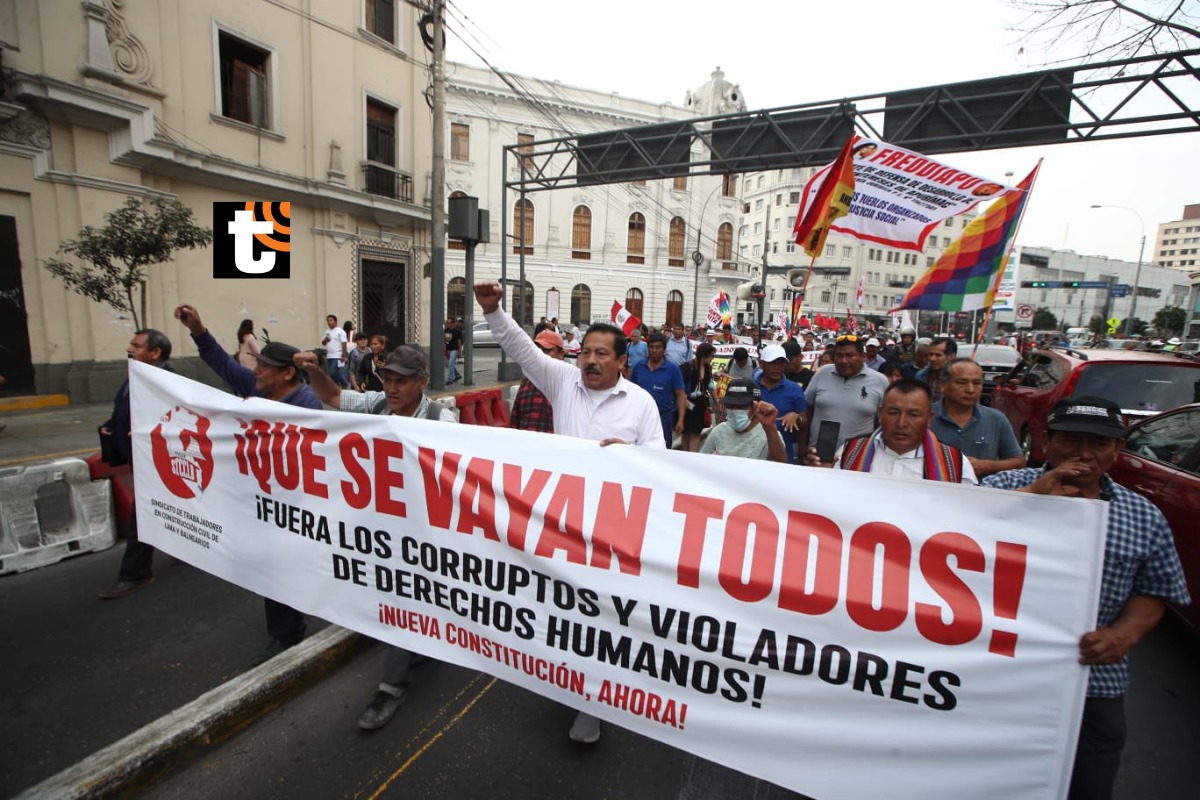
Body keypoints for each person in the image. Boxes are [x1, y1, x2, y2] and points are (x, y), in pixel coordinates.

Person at [475, 279, 662, 744]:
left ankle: (593, 703)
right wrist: (493, 310)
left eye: (603, 355)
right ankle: (569, 679)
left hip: (614, 533)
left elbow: (662, 464)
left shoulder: (641, 405)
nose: (592, 361)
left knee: (602, 616)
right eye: (586, 354)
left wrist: (633, 458)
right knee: (566, 613)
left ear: (622, 361)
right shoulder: (562, 383)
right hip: (562, 526)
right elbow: (523, 350)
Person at [981, 396, 1189, 800]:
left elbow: (1156, 590)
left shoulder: (1142, 516)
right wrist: (1029, 498)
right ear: (1046, 441)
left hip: (1092, 681)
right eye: (1070, 441)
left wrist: (1122, 637)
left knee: (1088, 782)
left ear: (1117, 450)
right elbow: (958, 541)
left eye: (1097, 443)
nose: (1082, 453)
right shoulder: (999, 489)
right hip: (999, 673)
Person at [295, 344, 456, 731]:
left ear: (423, 382)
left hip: (424, 532)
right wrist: (316, 370)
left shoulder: (442, 421)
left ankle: (390, 687)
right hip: (385, 529)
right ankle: (423, 646)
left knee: (407, 598)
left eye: (402, 381)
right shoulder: (378, 406)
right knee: (403, 598)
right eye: (388, 379)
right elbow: (333, 396)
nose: (393, 388)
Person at [174, 304, 315, 665]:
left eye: (265, 367)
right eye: (258, 365)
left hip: (298, 503)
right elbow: (224, 365)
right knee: (272, 566)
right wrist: (200, 331)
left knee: (286, 564)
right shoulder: (257, 392)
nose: (256, 371)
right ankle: (287, 629)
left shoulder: (310, 407)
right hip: (262, 498)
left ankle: (288, 633)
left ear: (287, 374)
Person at [97, 329, 176, 600]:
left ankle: (135, 573)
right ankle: (189, 547)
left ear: (155, 353)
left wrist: (152, 433)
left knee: (142, 513)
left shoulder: (166, 381)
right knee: (173, 503)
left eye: (137, 346)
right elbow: (123, 409)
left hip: (156, 461)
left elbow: (176, 417)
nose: (130, 349)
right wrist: (111, 426)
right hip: (137, 458)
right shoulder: (136, 376)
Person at [807, 379, 977, 484]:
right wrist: (825, 477)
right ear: (880, 414)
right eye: (893, 412)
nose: (902, 423)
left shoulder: (954, 464)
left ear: (929, 418)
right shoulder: (850, 452)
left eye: (913, 415)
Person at [930, 358, 1025, 479]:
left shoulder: (996, 419)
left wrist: (987, 466)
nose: (970, 390)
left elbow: (1018, 462)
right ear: (943, 385)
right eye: (962, 383)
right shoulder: (926, 417)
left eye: (976, 383)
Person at [805, 334, 889, 453]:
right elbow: (808, 409)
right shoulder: (822, 373)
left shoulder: (880, 381)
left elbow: (882, 422)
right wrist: (803, 445)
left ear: (862, 357)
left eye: (850, 356)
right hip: (818, 456)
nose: (844, 361)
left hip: (858, 457)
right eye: (839, 356)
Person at [699, 378, 787, 462]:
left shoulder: (769, 434)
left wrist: (770, 428)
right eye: (730, 405)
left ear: (755, 406)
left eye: (741, 406)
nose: (734, 410)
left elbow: (779, 463)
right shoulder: (719, 431)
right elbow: (701, 462)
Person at [630, 332, 686, 448]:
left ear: (664, 350)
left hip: (663, 418)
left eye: (658, 347)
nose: (654, 350)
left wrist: (680, 420)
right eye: (651, 347)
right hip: (639, 417)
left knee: (662, 450)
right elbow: (630, 391)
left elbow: (680, 395)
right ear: (648, 348)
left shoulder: (672, 369)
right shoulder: (639, 367)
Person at [754, 344, 808, 463]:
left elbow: (804, 421)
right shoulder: (750, 386)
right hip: (752, 455)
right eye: (773, 363)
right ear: (761, 363)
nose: (777, 367)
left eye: (781, 363)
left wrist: (796, 417)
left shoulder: (795, 389)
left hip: (782, 457)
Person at [510, 329, 564, 432]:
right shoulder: (527, 380)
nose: (540, 355)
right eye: (537, 350)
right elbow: (515, 419)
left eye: (546, 350)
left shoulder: (569, 383)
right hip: (526, 444)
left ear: (561, 353)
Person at [680, 342, 717, 452]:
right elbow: (679, 386)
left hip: (700, 405)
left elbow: (710, 385)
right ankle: (685, 456)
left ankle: (693, 456)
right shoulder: (687, 367)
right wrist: (684, 399)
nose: (712, 358)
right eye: (711, 356)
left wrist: (716, 399)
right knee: (685, 432)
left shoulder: (708, 368)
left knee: (696, 433)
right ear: (704, 355)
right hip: (686, 404)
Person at [916, 336, 956, 402]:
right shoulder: (921, 376)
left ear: (952, 356)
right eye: (931, 354)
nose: (932, 359)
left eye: (938, 355)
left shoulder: (960, 379)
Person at [321, 314, 348, 387]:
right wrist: (325, 340)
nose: (329, 322)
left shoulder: (340, 331)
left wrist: (344, 354)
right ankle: (337, 386)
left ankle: (344, 383)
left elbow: (344, 342)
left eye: (331, 320)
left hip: (337, 355)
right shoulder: (327, 332)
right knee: (330, 373)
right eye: (328, 321)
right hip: (329, 355)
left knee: (333, 372)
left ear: (335, 322)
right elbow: (323, 343)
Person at [444, 316, 463, 384]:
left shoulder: (457, 331)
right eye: (447, 323)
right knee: (451, 364)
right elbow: (447, 340)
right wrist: (445, 349)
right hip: (448, 350)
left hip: (454, 350)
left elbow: (459, 342)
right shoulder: (446, 330)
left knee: (450, 364)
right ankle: (457, 375)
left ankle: (450, 379)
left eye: (448, 323)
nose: (447, 324)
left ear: (452, 323)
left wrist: (459, 352)